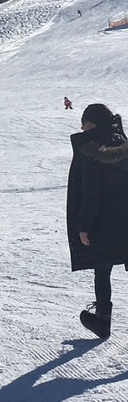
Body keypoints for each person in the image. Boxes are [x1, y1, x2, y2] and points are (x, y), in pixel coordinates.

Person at [66, 103, 128, 338]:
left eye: (84, 121)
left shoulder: (91, 148)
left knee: (102, 269)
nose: (82, 127)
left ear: (94, 122)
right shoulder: (123, 141)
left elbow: (92, 192)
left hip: (104, 223)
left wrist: (84, 227)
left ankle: (102, 321)